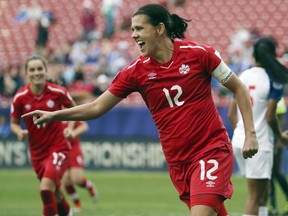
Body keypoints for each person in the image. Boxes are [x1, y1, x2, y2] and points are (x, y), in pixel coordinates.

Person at [22, 4, 259, 216]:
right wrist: (55, 115)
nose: (134, 35)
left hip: (210, 151)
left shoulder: (200, 54)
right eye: (132, 29)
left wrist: (250, 133)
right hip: (178, 161)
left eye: (139, 29)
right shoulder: (135, 72)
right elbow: (96, 107)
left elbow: (239, 88)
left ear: (159, 29)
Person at [228, 36, 288, 216]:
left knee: (263, 193)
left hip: (239, 142)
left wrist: (242, 134)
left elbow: (232, 114)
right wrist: (281, 137)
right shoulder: (272, 80)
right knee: (255, 196)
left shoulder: (243, 76)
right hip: (259, 143)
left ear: (254, 54)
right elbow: (270, 117)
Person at [10, 55, 76, 216]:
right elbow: (14, 123)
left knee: (46, 189)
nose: (36, 72)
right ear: (26, 73)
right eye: (32, 70)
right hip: (37, 154)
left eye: (40, 69)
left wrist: (70, 128)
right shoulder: (20, 97)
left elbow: (74, 110)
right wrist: (19, 132)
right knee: (56, 194)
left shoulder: (58, 92)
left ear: (46, 71)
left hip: (58, 148)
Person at [62, 120, 98, 212]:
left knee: (76, 179)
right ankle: (77, 204)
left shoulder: (70, 112)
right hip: (61, 149)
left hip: (74, 150)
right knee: (66, 180)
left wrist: (73, 133)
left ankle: (89, 186)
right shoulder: (54, 113)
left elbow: (84, 126)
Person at [269, 97, 288, 216]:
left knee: (276, 173)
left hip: (275, 142)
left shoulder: (278, 99)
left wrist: (279, 142)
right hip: (266, 140)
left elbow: (281, 121)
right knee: (269, 175)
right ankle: (273, 207)